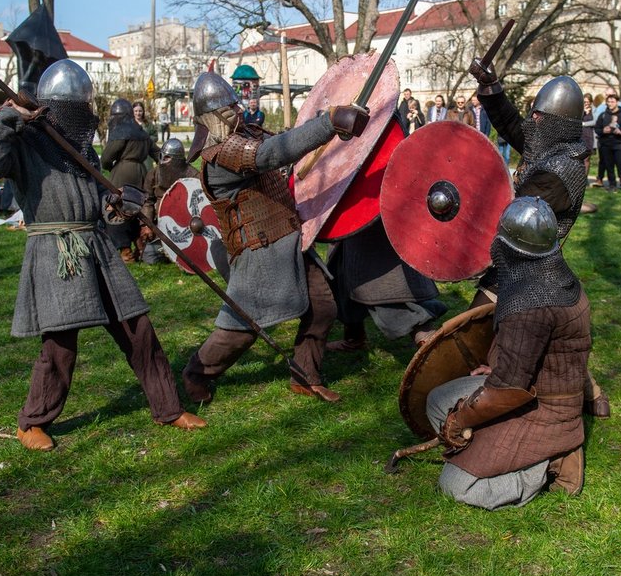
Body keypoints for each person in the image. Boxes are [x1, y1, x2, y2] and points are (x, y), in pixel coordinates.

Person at [0, 59, 206, 451]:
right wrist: (7, 119)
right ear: (52, 107)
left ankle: (168, 408)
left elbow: (95, 199)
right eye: (73, 109)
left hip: (96, 245)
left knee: (137, 327)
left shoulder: (80, 148)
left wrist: (116, 203)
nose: (80, 117)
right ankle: (32, 422)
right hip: (57, 249)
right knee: (60, 343)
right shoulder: (25, 142)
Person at [181, 72, 369, 405]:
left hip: (286, 236)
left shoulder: (243, 135)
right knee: (244, 328)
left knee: (323, 306)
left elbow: (285, 141)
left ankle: (305, 375)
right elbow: (270, 155)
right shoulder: (220, 154)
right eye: (229, 107)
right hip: (259, 250)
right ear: (214, 116)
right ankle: (197, 373)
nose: (237, 109)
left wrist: (333, 120)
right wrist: (329, 122)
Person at [426, 196, 592, 510]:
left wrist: (461, 419)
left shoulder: (533, 303)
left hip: (544, 410)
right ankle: (488, 451)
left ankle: (550, 462)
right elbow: (526, 357)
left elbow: (508, 389)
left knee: (456, 487)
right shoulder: (548, 278)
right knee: (437, 400)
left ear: (507, 245)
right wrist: (495, 365)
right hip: (526, 388)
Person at [469, 61, 607, 418]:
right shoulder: (548, 147)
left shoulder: (561, 171)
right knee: (532, 339)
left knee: (477, 328)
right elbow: (516, 126)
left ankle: (493, 400)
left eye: (541, 117)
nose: (534, 122)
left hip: (530, 267)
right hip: (520, 260)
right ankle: (593, 396)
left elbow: (515, 214)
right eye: (534, 114)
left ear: (558, 125)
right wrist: (492, 87)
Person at [325, 218, 447, 352]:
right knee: (342, 272)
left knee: (384, 285)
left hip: (376, 219)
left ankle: (437, 349)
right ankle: (354, 338)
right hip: (346, 217)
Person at [101, 98, 159, 262]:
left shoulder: (121, 133)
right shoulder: (142, 133)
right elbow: (158, 154)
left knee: (116, 210)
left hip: (122, 174)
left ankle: (125, 250)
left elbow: (106, 158)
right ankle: (140, 243)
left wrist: (111, 168)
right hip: (141, 173)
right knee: (138, 209)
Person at [138, 137, 200, 262]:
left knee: (188, 258)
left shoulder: (193, 176)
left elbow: (199, 206)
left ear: (177, 159)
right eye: (161, 156)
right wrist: (147, 225)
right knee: (150, 257)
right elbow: (147, 201)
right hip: (160, 226)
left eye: (167, 158)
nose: (162, 161)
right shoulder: (154, 174)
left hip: (186, 227)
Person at [595, 92, 621, 192]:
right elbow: (597, 129)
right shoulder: (603, 115)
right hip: (606, 144)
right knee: (609, 166)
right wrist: (603, 130)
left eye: (612, 101)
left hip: (619, 143)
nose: (610, 104)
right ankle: (612, 185)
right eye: (608, 102)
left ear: (617, 102)